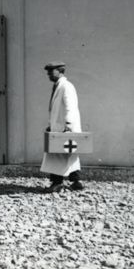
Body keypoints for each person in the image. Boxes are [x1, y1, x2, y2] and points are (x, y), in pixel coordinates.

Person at [40, 61, 85, 192]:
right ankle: (76, 182)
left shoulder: (66, 86)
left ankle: (57, 183)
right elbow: (55, 110)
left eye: (51, 71)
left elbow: (70, 107)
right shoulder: (58, 86)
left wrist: (69, 125)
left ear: (60, 71)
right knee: (69, 155)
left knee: (58, 155)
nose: (48, 74)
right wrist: (51, 125)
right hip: (60, 127)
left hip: (65, 128)